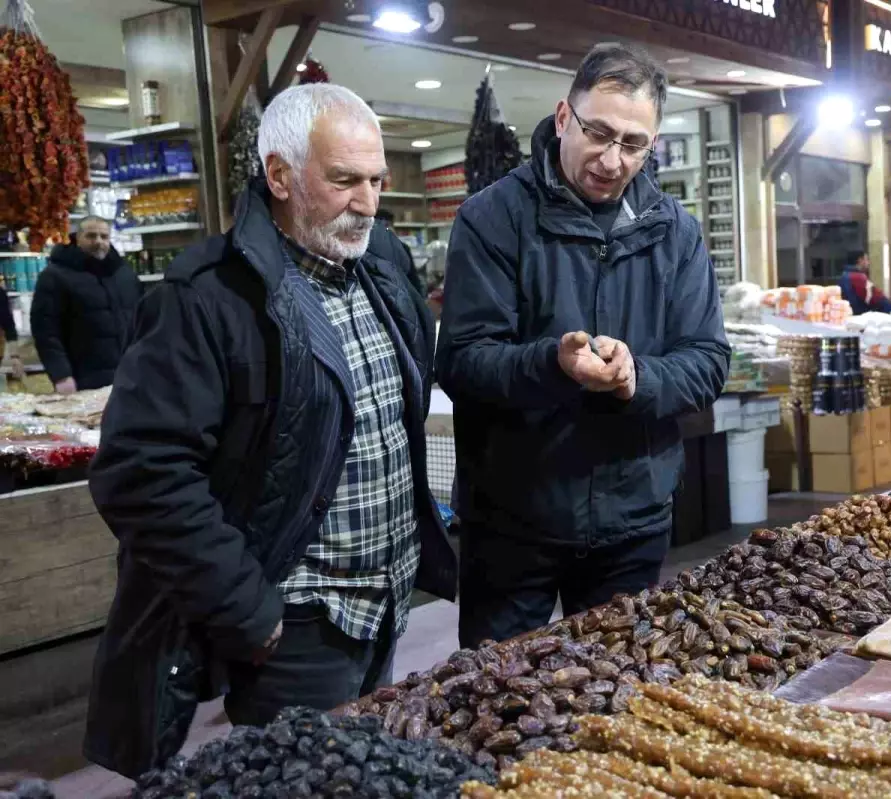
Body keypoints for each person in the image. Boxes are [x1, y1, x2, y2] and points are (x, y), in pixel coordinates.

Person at [84, 84, 457, 778]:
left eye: (376, 180)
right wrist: (248, 610)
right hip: (295, 624)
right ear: (279, 175)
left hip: (386, 600)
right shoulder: (208, 299)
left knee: (372, 773)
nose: (369, 203)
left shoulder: (384, 268)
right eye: (344, 180)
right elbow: (141, 472)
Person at [436, 44, 731, 649]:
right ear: (564, 117)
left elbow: (707, 360)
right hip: (515, 523)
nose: (613, 158)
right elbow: (463, 360)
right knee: (494, 700)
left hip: (633, 521)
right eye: (598, 133)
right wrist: (552, 364)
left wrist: (637, 379)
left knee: (618, 695)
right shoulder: (492, 219)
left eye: (634, 144)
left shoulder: (676, 231)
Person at [30, 216, 141, 393]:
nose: (98, 242)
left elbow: (142, 322)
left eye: (104, 237)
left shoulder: (124, 274)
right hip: (83, 379)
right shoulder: (55, 276)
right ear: (77, 238)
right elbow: (46, 331)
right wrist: (61, 374)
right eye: (91, 236)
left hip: (129, 376)